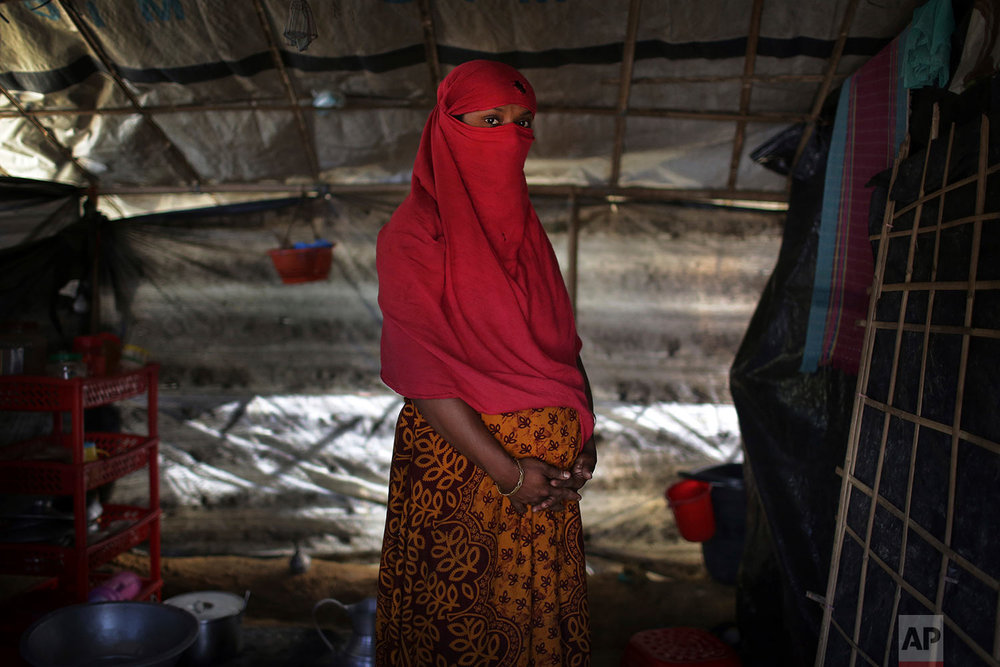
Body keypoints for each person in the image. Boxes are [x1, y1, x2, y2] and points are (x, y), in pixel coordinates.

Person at [375, 59, 598, 665]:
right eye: (491, 120)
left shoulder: (527, 233)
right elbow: (423, 374)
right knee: (464, 619)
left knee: (534, 621)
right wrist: (505, 469)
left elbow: (563, 351)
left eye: (523, 122)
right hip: (468, 470)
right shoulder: (414, 235)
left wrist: (584, 441)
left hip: (544, 481)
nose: (510, 136)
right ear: (448, 126)